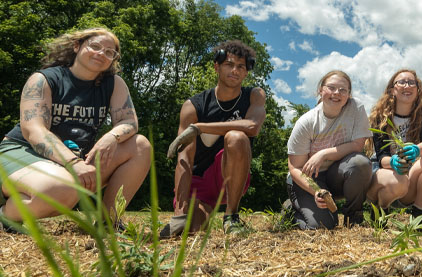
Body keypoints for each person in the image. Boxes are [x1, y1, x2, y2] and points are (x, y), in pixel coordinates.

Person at [0, 28, 151, 232]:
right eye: (95, 46)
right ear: (77, 46)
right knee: (61, 188)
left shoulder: (114, 84)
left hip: (76, 161)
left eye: (109, 52)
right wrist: (73, 163)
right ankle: (5, 216)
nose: (101, 53)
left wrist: (112, 137)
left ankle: (108, 223)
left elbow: (129, 121)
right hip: (23, 151)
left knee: (140, 145)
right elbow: (34, 130)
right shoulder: (44, 79)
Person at [163, 40, 266, 237]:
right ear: (216, 66)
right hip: (199, 181)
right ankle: (189, 216)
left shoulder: (255, 95)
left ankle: (231, 217)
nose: (235, 70)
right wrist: (179, 213)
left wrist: (200, 128)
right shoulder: (193, 106)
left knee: (236, 137)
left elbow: (252, 127)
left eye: (240, 67)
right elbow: (184, 159)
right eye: (229, 64)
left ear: (246, 73)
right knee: (188, 231)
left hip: (230, 172)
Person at [287, 70, 372, 229]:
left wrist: (323, 154)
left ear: (348, 94)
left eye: (343, 90)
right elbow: (295, 167)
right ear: (321, 90)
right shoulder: (306, 122)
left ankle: (353, 218)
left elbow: (357, 145)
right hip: (308, 179)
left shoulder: (356, 108)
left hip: (337, 174)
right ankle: (291, 211)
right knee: (322, 227)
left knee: (360, 163)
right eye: (331, 88)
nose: (336, 93)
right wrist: (316, 191)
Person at [366, 69, 422, 217]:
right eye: (401, 82)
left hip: (408, 178)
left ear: (417, 89)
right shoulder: (380, 116)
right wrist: (394, 161)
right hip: (383, 176)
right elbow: (382, 156)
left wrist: (416, 150)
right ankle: (380, 211)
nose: (407, 86)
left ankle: (418, 215)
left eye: (411, 83)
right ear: (392, 90)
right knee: (399, 181)